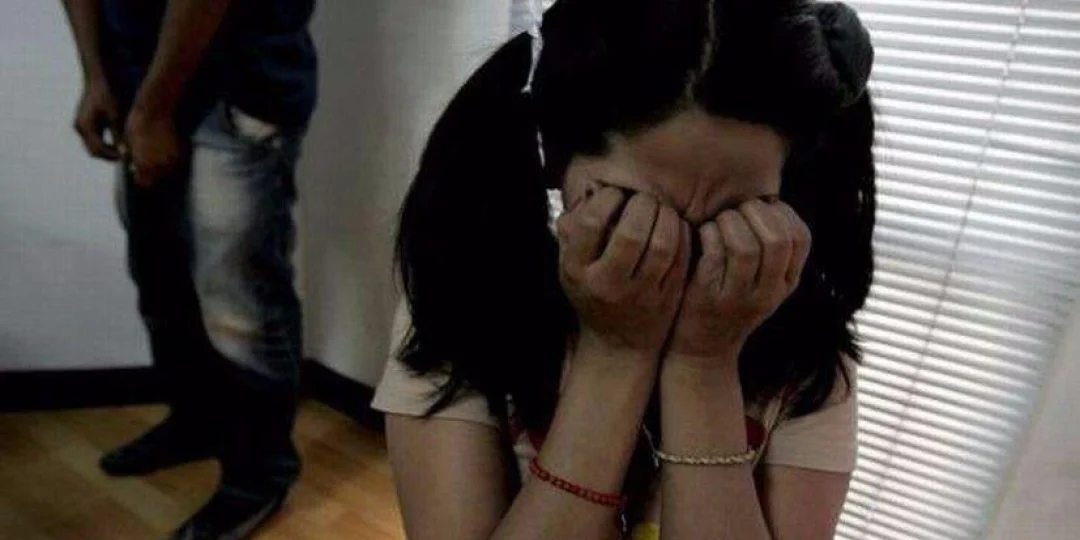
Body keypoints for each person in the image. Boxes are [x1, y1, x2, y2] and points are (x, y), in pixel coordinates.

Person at [373, 0, 876, 538]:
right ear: (555, 159)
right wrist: (615, 352)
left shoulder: (810, 362)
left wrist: (704, 364)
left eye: (738, 215)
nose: (681, 253)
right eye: (637, 211)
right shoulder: (463, 303)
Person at [61, 0, 316, 537]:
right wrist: (98, 77)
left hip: (240, 85)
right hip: (135, 79)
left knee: (240, 305)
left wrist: (152, 111)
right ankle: (198, 423)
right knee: (162, 278)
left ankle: (259, 474)